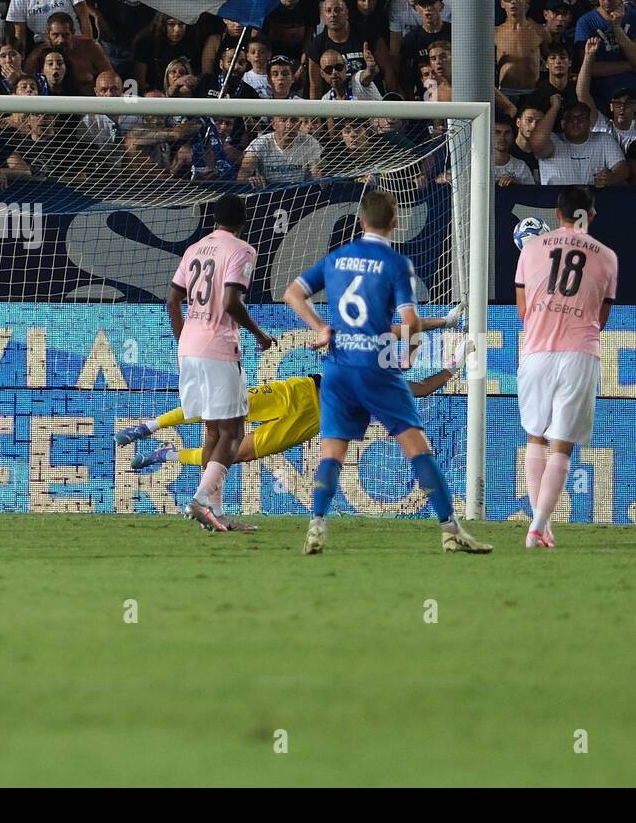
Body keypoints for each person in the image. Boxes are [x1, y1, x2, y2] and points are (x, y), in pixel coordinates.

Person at [283, 190, 492, 555]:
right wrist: (409, 353)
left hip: (337, 366)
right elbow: (409, 320)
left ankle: (317, 524)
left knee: (332, 452)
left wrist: (320, 327)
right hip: (376, 365)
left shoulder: (336, 258)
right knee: (417, 448)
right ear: (395, 223)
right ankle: (450, 530)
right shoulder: (395, 263)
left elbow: (292, 294)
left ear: (360, 222)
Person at [119, 314, 473, 470]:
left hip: (311, 422)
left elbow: (424, 389)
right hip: (300, 392)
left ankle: (166, 456)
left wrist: (456, 364)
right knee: (220, 405)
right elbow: (402, 328)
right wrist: (445, 322)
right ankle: (149, 426)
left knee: (232, 456)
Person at [514, 185, 618, 548]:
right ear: (590, 215)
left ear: (557, 215)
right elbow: (602, 317)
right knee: (563, 444)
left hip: (536, 352)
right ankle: (539, 525)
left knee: (535, 436)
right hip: (579, 352)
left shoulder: (530, 249)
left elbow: (523, 311)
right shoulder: (607, 257)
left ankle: (538, 523)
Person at [166, 194, 277, 533]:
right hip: (218, 347)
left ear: (214, 219)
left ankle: (214, 516)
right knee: (233, 431)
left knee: (212, 430)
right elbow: (230, 301)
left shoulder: (194, 249)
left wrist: (185, 339)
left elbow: (172, 298)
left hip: (189, 348)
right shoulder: (242, 249)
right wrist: (259, 334)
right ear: (243, 221)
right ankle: (201, 500)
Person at [573, 0, 636, 107]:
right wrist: (628, 65)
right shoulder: (585, 22)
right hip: (599, 95)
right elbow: (588, 68)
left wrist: (617, 28)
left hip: (633, 95)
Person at [529, 97, 628, 186]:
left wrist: (612, 178)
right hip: (556, 202)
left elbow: (623, 169)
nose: (575, 121)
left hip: (594, 201)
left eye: (581, 118)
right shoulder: (553, 140)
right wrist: (555, 107)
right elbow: (537, 143)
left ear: (589, 123)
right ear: (563, 124)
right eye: (570, 118)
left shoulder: (604, 139)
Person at [238, 116, 323, 187]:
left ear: (299, 124)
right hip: (267, 194)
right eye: (283, 120)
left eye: (293, 120)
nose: (289, 125)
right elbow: (242, 177)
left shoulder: (309, 142)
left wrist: (319, 180)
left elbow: (315, 173)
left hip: (299, 194)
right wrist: (251, 179)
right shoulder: (260, 143)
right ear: (274, 124)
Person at [494, 113, 538, 184]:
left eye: (507, 133)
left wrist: (516, 184)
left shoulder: (521, 166)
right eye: (497, 132)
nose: (502, 137)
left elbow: (531, 193)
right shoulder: (481, 164)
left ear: (512, 135)